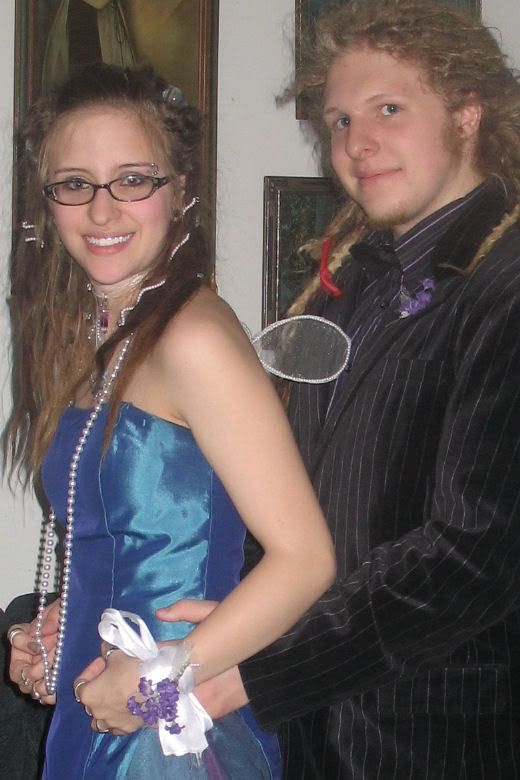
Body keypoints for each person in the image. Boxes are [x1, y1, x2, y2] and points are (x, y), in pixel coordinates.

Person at [145, 1, 520, 776]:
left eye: (389, 110)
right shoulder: (342, 284)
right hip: (313, 738)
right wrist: (221, 615)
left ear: (467, 112)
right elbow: (291, 503)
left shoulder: (506, 286)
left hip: (439, 742)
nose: (357, 142)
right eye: (341, 120)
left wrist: (251, 674)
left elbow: (475, 559)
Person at [6, 62, 336, 779]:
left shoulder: (193, 337)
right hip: (99, 711)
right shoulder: (97, 335)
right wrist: (64, 627)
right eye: (75, 184)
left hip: (166, 734)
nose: (102, 211)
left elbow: (307, 559)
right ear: (46, 202)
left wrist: (157, 681)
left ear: (180, 189)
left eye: (132, 179)